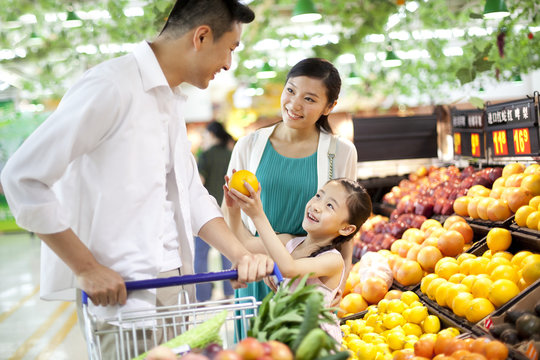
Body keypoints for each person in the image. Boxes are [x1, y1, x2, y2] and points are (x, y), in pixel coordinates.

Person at [0, 0, 273, 354]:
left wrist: (239, 254)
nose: (228, 64)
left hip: (176, 284)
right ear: (202, 37)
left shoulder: (172, 100)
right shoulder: (110, 86)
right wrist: (85, 267)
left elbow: (190, 194)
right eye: (230, 49)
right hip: (120, 295)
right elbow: (23, 178)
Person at [222, 58, 358, 312]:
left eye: (310, 99)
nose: (294, 105)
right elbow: (229, 209)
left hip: (309, 278)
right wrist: (239, 257)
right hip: (257, 269)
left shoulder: (340, 152)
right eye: (291, 90)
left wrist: (343, 275)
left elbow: (347, 221)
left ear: (329, 106)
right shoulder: (249, 146)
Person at [224, 177, 372, 342]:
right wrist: (233, 209)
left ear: (346, 228)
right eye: (318, 196)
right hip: (285, 333)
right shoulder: (290, 242)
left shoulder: (333, 260)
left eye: (330, 205)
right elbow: (245, 243)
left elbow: (289, 268)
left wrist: (258, 215)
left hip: (314, 343)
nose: (316, 206)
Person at [195, 121, 234, 301]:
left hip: (206, 213)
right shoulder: (230, 153)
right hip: (228, 209)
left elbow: (199, 181)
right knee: (227, 253)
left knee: (201, 257)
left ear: (211, 135)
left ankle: (202, 298)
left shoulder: (206, 155)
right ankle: (229, 292)